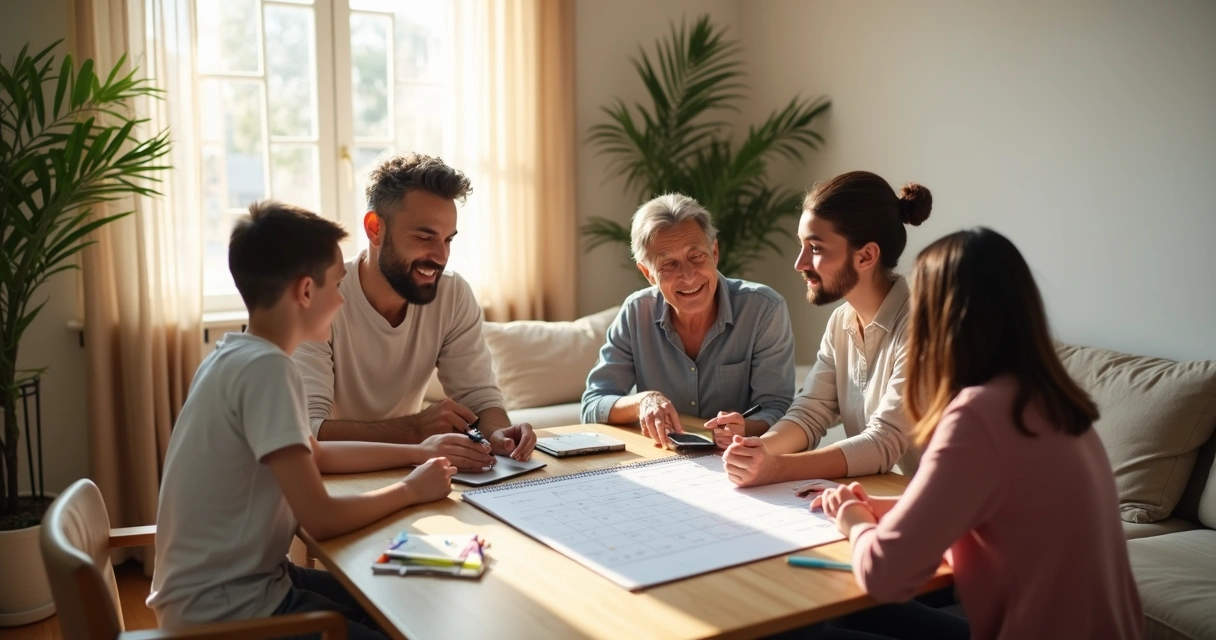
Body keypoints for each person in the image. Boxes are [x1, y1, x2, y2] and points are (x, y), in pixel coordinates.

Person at [810, 228, 1143, 640]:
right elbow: (991, 504)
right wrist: (887, 508)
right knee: (856, 616)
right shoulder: (1052, 403)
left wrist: (854, 520)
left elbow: (885, 576)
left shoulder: (978, 416)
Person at [148, 202, 460, 636]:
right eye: (337, 285)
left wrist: (416, 451)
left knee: (393, 599)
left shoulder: (236, 354)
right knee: (401, 615)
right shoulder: (267, 370)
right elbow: (320, 518)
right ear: (306, 292)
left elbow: (313, 454)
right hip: (226, 615)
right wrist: (411, 489)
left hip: (249, 586)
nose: (342, 299)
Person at [294, 153, 536, 467]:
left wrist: (499, 433)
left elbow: (479, 399)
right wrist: (415, 429)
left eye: (448, 239)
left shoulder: (452, 295)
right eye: (424, 237)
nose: (440, 255)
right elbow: (309, 432)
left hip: (408, 468)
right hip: (334, 475)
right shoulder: (321, 301)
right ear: (375, 229)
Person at [723, 171, 930, 485]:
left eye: (816, 248)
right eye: (801, 245)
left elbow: (883, 441)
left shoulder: (922, 327)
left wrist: (776, 467)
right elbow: (809, 412)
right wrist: (756, 449)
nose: (800, 263)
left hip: (943, 515)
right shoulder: (841, 322)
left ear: (867, 255)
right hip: (884, 499)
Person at [580, 194, 796, 448]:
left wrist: (744, 427)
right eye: (669, 264)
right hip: (662, 463)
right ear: (648, 273)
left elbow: (777, 408)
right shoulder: (636, 312)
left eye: (696, 257)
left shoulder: (764, 309)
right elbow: (593, 405)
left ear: (714, 252)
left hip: (739, 461)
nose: (688, 276)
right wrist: (644, 401)